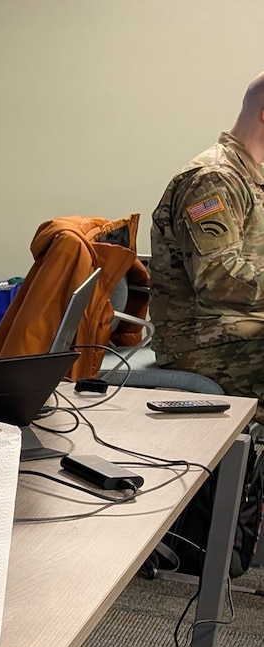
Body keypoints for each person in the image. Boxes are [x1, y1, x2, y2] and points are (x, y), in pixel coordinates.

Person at [151, 71, 264, 401]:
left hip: (239, 323)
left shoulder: (248, 177)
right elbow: (218, 278)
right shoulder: (213, 179)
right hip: (199, 336)